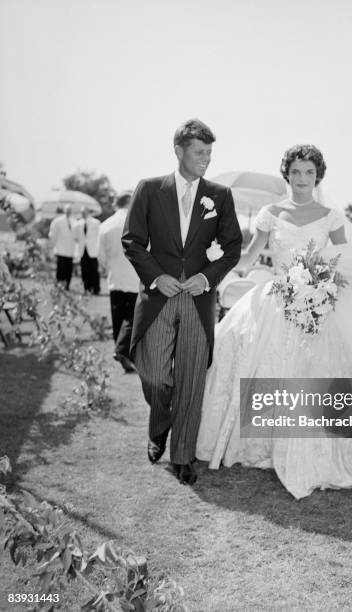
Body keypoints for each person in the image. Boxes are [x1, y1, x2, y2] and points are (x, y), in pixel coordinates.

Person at [196, 144, 352, 499]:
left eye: (309, 173)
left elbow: (346, 260)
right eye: (297, 171)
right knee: (249, 356)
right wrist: (216, 260)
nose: (302, 179)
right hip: (275, 299)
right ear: (287, 173)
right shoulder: (271, 213)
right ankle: (261, 444)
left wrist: (324, 283)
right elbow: (251, 255)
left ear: (318, 176)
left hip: (317, 301)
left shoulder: (331, 216)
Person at [122, 118, 242, 485]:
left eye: (209, 152)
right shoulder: (148, 189)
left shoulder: (219, 195)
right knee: (155, 374)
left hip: (198, 300)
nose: (206, 158)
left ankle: (183, 455)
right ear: (179, 151)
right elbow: (132, 241)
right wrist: (158, 276)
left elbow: (233, 247)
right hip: (158, 297)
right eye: (198, 152)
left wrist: (206, 278)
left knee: (191, 379)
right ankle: (159, 425)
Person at [98, 192, 140, 373]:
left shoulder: (105, 224)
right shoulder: (138, 222)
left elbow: (99, 255)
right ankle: (123, 351)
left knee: (118, 317)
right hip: (134, 276)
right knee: (132, 316)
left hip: (114, 278)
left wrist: (110, 267)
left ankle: (120, 351)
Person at [48, 204, 77, 290]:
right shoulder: (57, 221)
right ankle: (59, 285)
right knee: (61, 270)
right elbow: (52, 235)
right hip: (60, 250)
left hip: (70, 250)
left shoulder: (74, 221)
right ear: (64, 210)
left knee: (69, 270)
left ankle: (67, 286)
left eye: (70, 210)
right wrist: (53, 247)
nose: (68, 212)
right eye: (67, 210)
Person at [75, 206, 101, 294]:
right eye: (82, 212)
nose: (83, 214)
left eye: (85, 212)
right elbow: (76, 238)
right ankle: (87, 288)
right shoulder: (78, 224)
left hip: (93, 250)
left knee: (94, 270)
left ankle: (96, 289)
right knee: (84, 271)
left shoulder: (96, 222)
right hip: (83, 251)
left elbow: (99, 236)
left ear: (88, 212)